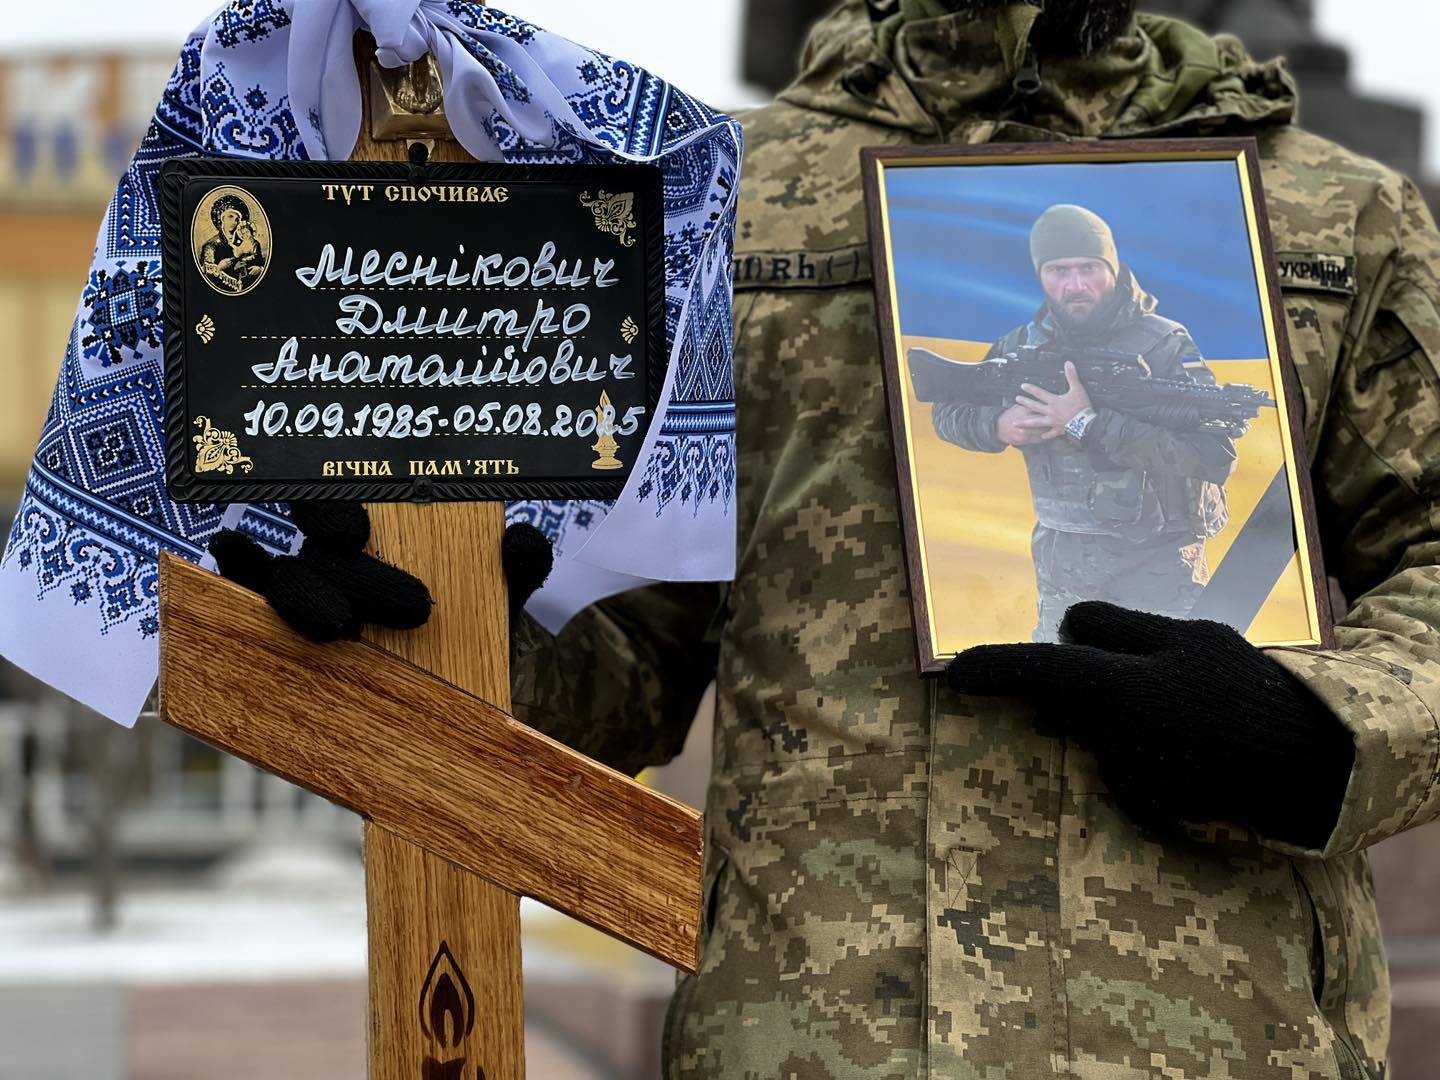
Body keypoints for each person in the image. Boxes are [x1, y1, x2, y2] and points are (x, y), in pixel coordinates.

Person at [235, 1, 1435, 1076]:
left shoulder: (1334, 212)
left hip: (1224, 1038)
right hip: (806, 1039)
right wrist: (441, 615)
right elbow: (634, 648)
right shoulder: (712, 200)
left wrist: (1317, 735)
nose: (1072, 286)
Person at [932, 203, 1234, 640]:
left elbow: (1215, 456)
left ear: (1113, 267)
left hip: (1159, 568)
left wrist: (1088, 424)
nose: (1074, 285)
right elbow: (946, 408)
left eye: (1089, 268)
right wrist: (998, 425)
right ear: (1040, 275)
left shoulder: (1165, 343)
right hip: (1063, 568)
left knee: (1167, 675)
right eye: (1058, 270)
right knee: (1062, 678)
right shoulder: (1020, 347)